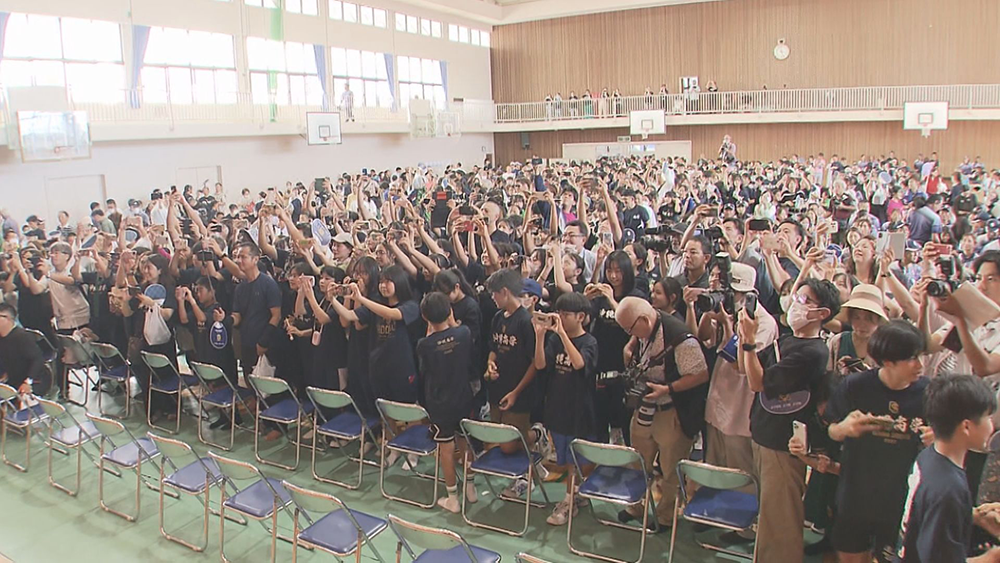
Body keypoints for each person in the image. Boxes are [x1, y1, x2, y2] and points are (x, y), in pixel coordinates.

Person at [738, 277, 841, 563]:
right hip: (764, 433)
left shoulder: (813, 352)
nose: (795, 304)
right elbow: (747, 368)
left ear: (822, 313)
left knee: (781, 520)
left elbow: (758, 383)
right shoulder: (788, 339)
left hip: (783, 443)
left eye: (804, 300)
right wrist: (744, 335)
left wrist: (749, 342)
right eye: (796, 297)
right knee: (769, 515)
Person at [824, 321, 929, 563]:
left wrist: (935, 438)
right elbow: (830, 430)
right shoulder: (855, 386)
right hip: (856, 493)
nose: (920, 365)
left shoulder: (928, 392)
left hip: (900, 498)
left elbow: (941, 440)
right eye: (912, 358)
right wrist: (842, 429)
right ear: (888, 361)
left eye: (921, 356)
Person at [616, 296, 709, 531]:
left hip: (671, 410)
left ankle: (666, 516)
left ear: (644, 320)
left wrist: (668, 389)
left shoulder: (680, 337)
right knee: (638, 461)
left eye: (630, 328)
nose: (629, 333)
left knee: (670, 469)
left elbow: (700, 375)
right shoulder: (643, 332)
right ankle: (635, 505)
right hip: (644, 407)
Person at [896, 374, 1000, 563]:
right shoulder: (948, 489)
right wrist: (991, 558)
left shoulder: (929, 456)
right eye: (987, 417)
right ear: (966, 426)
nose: (991, 425)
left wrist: (974, 516)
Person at [533, 292, 598, 525]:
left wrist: (561, 333)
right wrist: (540, 337)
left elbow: (580, 364)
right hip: (557, 407)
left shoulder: (589, 342)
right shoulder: (554, 340)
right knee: (564, 460)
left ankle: (569, 502)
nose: (560, 317)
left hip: (579, 410)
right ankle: (575, 495)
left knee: (574, 460)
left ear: (581, 316)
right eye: (558, 312)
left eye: (566, 314)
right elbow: (540, 365)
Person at [416, 292, 476, 513]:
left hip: (440, 404)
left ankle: (453, 498)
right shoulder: (464, 333)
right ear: (450, 310)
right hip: (463, 398)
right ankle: (470, 487)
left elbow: (425, 369)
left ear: (425, 316)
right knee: (465, 443)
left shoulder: (424, 344)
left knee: (447, 450)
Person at [231, 243, 282, 377]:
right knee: (248, 378)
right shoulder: (240, 288)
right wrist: (226, 319)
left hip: (265, 344)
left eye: (243, 257)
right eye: (237, 257)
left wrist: (264, 342)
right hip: (246, 343)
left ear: (255, 259)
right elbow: (237, 315)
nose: (239, 261)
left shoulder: (268, 284)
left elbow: (276, 315)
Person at [0, 303, 51, 397]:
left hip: (32, 380)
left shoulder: (22, 337)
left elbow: (38, 359)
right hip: (12, 378)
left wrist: (28, 381)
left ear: (9, 319)